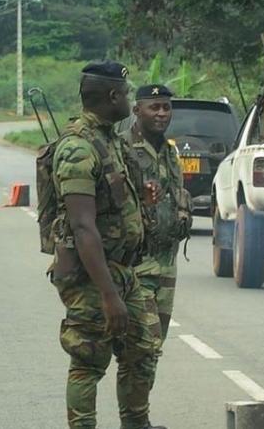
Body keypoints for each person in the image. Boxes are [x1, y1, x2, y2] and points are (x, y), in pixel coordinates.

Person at [50, 61, 164, 429]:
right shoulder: (78, 149)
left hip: (123, 269)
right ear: (113, 96)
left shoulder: (110, 140)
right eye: (127, 94)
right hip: (91, 275)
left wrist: (142, 199)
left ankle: (136, 423)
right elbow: (83, 226)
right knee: (88, 358)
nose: (130, 100)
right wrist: (108, 295)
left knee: (142, 350)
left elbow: (111, 203)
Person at [124, 85, 192, 385]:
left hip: (166, 265)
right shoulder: (122, 148)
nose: (162, 113)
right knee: (145, 347)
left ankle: (135, 410)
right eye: (154, 107)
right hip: (137, 267)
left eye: (166, 107)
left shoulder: (169, 151)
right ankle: (136, 411)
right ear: (137, 110)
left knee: (150, 351)